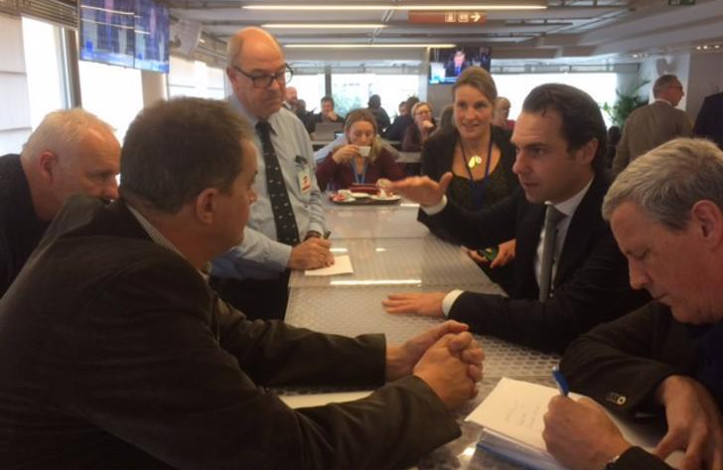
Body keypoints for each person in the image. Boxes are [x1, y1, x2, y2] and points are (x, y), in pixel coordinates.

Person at [0, 97, 485, 469]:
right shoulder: (126, 293)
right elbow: (281, 453)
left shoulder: (119, 236)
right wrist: (426, 395)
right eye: (249, 184)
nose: (255, 197)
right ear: (208, 204)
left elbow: (245, 340)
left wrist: (389, 359)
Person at [382, 83, 650, 352]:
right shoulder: (539, 195)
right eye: (518, 150)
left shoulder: (620, 217)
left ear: (585, 152)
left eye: (537, 151)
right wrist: (435, 203)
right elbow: (478, 231)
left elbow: (561, 321)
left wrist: (452, 302)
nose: (518, 167)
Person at [543, 138, 723, 470]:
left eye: (642, 254)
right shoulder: (687, 306)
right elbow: (583, 351)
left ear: (706, 225)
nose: (635, 280)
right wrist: (669, 386)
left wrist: (610, 457)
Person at [211, 27, 332, 321]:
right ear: (233, 77)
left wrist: (314, 235)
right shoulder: (211, 133)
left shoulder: (293, 127)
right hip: (241, 291)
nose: (276, 86)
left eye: (280, 74)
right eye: (260, 77)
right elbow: (214, 224)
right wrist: (287, 256)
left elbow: (311, 192)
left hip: (302, 275)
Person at [417, 67, 519, 292]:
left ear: (493, 107)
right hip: (451, 262)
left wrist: (518, 240)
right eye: (462, 105)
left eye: (480, 106)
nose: (469, 116)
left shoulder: (514, 146)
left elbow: (534, 206)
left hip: (509, 263)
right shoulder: (436, 147)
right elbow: (428, 214)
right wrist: (461, 240)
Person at [0, 108, 120, 297]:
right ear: (47, 167)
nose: (114, 192)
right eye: (101, 176)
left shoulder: (66, 211)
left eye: (114, 176)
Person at [612, 74, 693, 175]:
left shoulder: (635, 115)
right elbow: (687, 153)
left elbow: (622, 151)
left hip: (635, 176)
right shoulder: (680, 117)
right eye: (680, 88)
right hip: (664, 178)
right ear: (668, 89)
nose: (683, 94)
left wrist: (617, 178)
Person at [316, 109, 404, 191]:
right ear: (348, 133)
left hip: (374, 202)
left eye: (368, 134)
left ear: (374, 135)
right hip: (344, 202)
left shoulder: (381, 154)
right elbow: (318, 186)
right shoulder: (338, 154)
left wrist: (390, 184)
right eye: (357, 134)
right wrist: (335, 159)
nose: (363, 140)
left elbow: (401, 184)